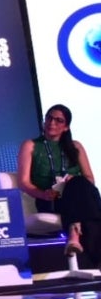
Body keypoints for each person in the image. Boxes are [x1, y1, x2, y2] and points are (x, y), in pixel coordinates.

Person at [17, 104, 101, 263]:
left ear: (66, 127)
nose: (52, 123)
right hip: (50, 199)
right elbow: (23, 182)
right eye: (49, 118)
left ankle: (74, 235)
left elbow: (90, 179)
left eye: (58, 120)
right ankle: (80, 242)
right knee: (91, 209)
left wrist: (71, 182)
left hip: (76, 197)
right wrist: (43, 194)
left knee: (78, 184)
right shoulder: (30, 145)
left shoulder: (76, 147)